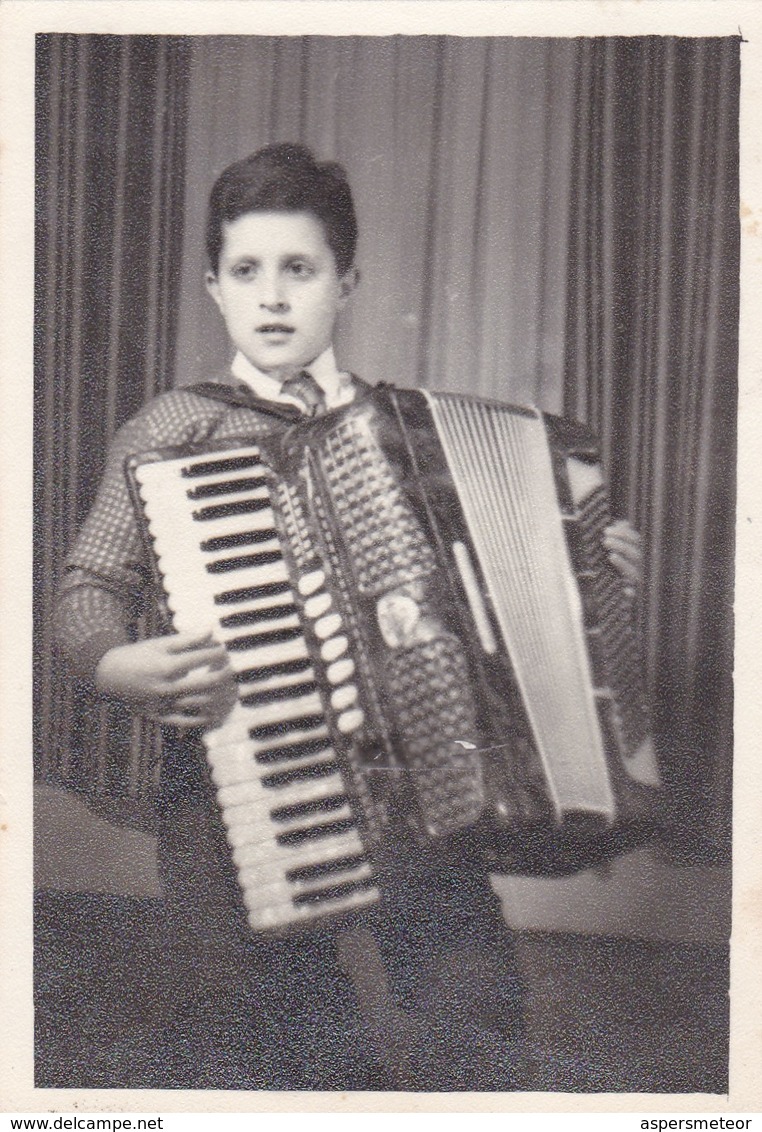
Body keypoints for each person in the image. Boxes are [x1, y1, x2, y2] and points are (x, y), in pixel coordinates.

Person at [56, 143, 643, 1091]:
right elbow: (88, 586)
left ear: (347, 282)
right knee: (277, 1033)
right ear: (213, 287)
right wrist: (117, 664)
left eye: (301, 268)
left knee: (473, 1006)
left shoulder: (403, 433)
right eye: (246, 271)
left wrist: (592, 576)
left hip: (413, 802)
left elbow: (493, 609)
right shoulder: (178, 424)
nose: (274, 296)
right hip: (232, 789)